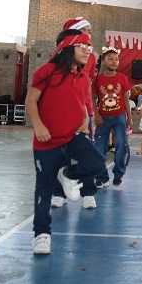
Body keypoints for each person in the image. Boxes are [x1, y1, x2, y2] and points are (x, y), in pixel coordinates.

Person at [25, 29, 106, 254]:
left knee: (97, 164)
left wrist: (83, 120)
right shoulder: (46, 71)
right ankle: (42, 234)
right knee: (43, 189)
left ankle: (68, 175)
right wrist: (39, 126)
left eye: (90, 48)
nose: (88, 52)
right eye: (84, 46)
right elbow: (31, 100)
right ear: (68, 47)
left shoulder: (83, 77)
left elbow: (81, 102)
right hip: (46, 143)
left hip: (72, 138)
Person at [51, 18, 101, 207]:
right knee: (59, 153)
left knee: (86, 152)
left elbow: (86, 84)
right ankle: (59, 193)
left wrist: (89, 111)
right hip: (60, 112)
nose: (89, 33)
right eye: (85, 30)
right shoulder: (57, 58)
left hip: (83, 108)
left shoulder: (91, 56)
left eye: (90, 30)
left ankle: (88, 192)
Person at [93, 47, 133, 187]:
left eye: (116, 59)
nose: (114, 61)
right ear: (103, 61)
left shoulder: (122, 78)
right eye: (110, 59)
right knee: (99, 149)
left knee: (121, 145)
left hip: (119, 118)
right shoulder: (97, 79)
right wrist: (96, 115)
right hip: (102, 119)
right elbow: (92, 99)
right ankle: (101, 177)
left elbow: (126, 99)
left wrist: (129, 117)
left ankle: (118, 173)